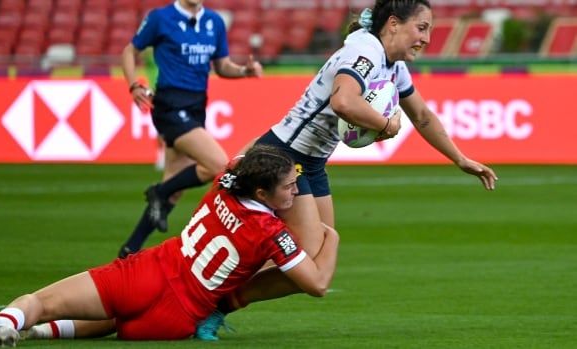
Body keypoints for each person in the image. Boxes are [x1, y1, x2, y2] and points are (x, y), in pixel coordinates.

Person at [195, 0, 499, 340]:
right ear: (394, 24)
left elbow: (423, 116)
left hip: (309, 161)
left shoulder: (392, 65)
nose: (426, 38)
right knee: (308, 259)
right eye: (422, 27)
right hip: (283, 155)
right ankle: (213, 304)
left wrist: (460, 159)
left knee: (319, 256)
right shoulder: (364, 53)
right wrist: (386, 125)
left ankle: (217, 301)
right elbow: (344, 101)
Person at [0, 145, 339, 347]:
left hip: (148, 273)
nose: (295, 190)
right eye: (290, 185)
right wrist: (331, 237)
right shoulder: (272, 232)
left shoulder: (227, 178)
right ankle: (36, 334)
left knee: (42, 301)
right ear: (262, 192)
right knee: (108, 324)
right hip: (177, 319)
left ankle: (5, 325)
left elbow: (243, 158)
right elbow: (317, 284)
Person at [118, 0, 263, 258]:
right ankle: (157, 193)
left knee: (175, 186)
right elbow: (130, 50)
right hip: (170, 104)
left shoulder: (214, 22)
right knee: (218, 164)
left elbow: (221, 66)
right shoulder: (161, 18)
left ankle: (129, 251)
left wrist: (244, 71)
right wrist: (134, 85)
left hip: (197, 105)